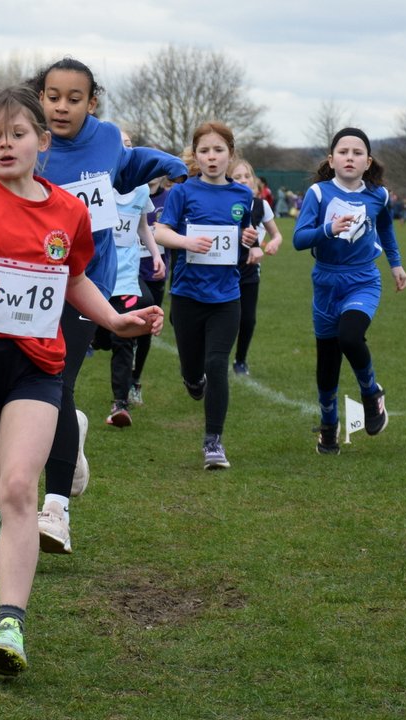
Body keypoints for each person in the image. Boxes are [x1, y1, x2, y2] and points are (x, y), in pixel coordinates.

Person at [0, 86, 162, 677]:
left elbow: (73, 281)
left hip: (36, 364)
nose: (3, 145)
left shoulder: (66, 211)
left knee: (20, 489)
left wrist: (116, 319)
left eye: (17, 134)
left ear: (42, 142)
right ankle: (4, 537)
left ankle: (10, 623)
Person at [31, 57, 185, 553]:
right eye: (53, 96)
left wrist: (167, 165)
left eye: (74, 98)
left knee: (57, 382)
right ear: (40, 98)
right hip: (28, 280)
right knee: (22, 385)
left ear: (91, 102)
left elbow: (129, 166)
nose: (61, 106)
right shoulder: (28, 140)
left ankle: (56, 510)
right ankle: (69, 430)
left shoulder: (105, 137)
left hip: (85, 281)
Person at [293, 127, 406, 455]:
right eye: (343, 152)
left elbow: (385, 226)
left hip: (363, 280)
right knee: (327, 364)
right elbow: (299, 240)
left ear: (367, 162)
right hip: (326, 283)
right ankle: (329, 424)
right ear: (332, 159)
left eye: (358, 153)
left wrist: (395, 263)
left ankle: (371, 394)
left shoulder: (378, 195)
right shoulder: (318, 193)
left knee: (351, 337)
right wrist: (328, 229)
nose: (350, 157)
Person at [154, 121, 256, 469]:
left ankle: (214, 442)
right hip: (186, 295)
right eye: (204, 151)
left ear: (231, 153)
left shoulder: (243, 196)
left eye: (218, 150)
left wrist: (248, 243)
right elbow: (159, 231)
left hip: (227, 297)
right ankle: (191, 378)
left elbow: (242, 242)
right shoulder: (183, 192)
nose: (211, 157)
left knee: (217, 364)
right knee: (194, 369)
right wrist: (185, 242)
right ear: (195, 155)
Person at [90, 132, 165, 428]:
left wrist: (155, 255)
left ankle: (120, 403)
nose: (124, 149)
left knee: (125, 338)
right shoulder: (97, 185)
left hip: (126, 277)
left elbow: (143, 227)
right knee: (98, 337)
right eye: (118, 143)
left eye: (129, 145)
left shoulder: (141, 191)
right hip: (95, 275)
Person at [229, 158, 283, 376]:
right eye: (238, 176)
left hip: (250, 269)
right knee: (225, 318)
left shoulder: (261, 205)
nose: (244, 180)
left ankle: (240, 360)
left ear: (254, 179)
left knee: (248, 319)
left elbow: (276, 233)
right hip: (224, 269)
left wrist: (273, 242)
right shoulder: (224, 203)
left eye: (247, 176)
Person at [128, 174, 172, 407]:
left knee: (146, 328)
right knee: (121, 330)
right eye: (148, 170)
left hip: (155, 273)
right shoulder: (130, 193)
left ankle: (134, 381)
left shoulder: (169, 198)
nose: (152, 175)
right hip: (128, 272)